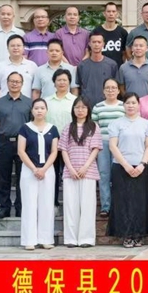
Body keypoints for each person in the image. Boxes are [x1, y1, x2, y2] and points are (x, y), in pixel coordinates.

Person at [106, 92, 148, 248]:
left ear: (139, 105)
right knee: (123, 202)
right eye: (127, 103)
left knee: (140, 201)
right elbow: (113, 146)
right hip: (121, 167)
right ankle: (126, 235)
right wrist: (126, 165)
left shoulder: (147, 124)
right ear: (123, 105)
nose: (131, 106)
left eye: (134, 103)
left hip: (141, 167)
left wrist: (142, 164)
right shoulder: (116, 124)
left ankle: (138, 234)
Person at [58, 97, 101, 248]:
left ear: (88, 110)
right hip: (70, 172)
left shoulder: (94, 127)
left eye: (83, 107)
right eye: (77, 107)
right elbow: (63, 149)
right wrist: (70, 167)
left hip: (88, 171)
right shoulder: (68, 127)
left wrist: (85, 167)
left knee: (88, 206)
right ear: (73, 110)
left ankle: (86, 239)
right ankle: (71, 239)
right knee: (70, 206)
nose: (80, 110)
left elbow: (95, 149)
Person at [17, 98, 59, 250]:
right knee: (29, 204)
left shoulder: (52, 129)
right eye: (36, 108)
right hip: (29, 171)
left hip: (47, 170)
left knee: (46, 205)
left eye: (42, 108)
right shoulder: (25, 128)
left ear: (46, 110)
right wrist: (34, 169)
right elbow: (21, 151)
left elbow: (54, 151)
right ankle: (29, 240)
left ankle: (45, 239)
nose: (39, 111)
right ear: (32, 111)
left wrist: (44, 169)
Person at [0, 72, 32, 218]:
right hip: (4, 143)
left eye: (17, 81)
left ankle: (20, 208)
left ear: (22, 84)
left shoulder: (29, 103)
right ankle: (4, 208)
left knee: (23, 178)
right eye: (12, 81)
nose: (14, 84)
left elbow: (33, 125)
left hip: (23, 144)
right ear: (7, 83)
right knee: (4, 178)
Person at [45, 68, 77, 208]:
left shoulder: (75, 101)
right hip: (50, 142)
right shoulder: (46, 101)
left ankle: (70, 204)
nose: (62, 82)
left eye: (65, 80)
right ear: (54, 83)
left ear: (69, 82)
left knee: (69, 172)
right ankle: (53, 202)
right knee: (52, 173)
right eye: (59, 80)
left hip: (70, 143)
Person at [91, 79, 123, 217]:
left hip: (120, 145)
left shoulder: (123, 106)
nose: (110, 90)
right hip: (103, 143)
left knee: (118, 174)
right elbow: (94, 128)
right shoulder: (97, 107)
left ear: (118, 90)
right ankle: (106, 206)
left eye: (113, 88)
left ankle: (118, 205)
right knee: (104, 175)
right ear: (103, 90)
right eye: (107, 88)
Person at [77, 32, 119, 107]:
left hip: (106, 106)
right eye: (94, 42)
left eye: (99, 42)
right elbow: (78, 87)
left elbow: (115, 87)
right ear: (89, 44)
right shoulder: (82, 65)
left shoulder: (112, 65)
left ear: (103, 44)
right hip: (86, 107)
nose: (96, 44)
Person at [0, 35, 37, 99]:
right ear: (7, 48)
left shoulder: (32, 66)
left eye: (18, 45)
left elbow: (36, 90)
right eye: (12, 46)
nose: (15, 48)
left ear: (23, 47)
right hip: (5, 104)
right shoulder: (0, 66)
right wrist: (1, 102)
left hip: (27, 104)